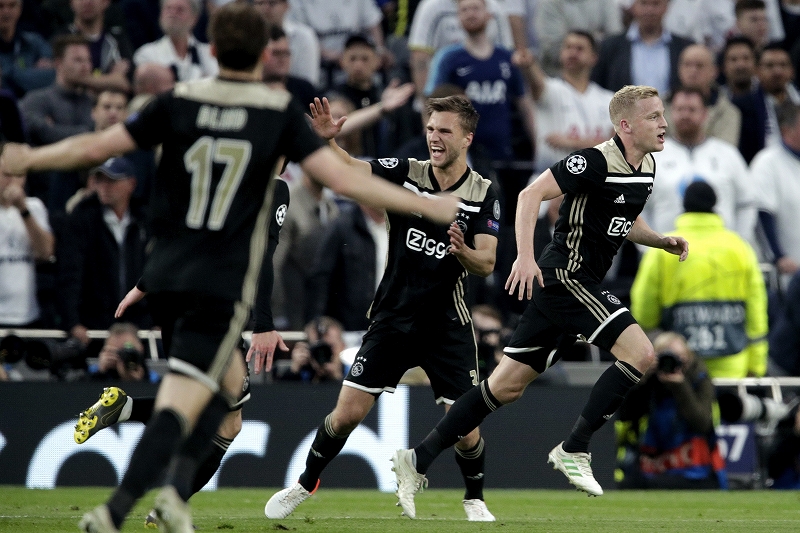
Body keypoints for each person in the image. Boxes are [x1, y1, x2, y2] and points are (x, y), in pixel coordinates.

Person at [0, 4, 457, 532]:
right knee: (194, 405)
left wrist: (27, 159)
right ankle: (124, 506)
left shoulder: (179, 100)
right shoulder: (274, 113)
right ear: (264, 55)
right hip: (215, 288)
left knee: (214, 406)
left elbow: (98, 145)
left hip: (168, 272)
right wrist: (428, 206)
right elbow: (345, 180)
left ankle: (159, 493)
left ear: (212, 49)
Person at [391, 85, 689, 517]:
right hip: (566, 276)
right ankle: (575, 447)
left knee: (503, 387)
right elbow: (530, 195)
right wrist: (526, 257)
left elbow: (624, 218)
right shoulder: (592, 160)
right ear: (625, 125)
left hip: (570, 286)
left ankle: (416, 459)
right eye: (654, 117)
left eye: (662, 115)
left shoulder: (647, 166)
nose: (664, 124)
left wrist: (658, 240)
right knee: (642, 354)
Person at [264, 94, 501, 522]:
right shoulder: (406, 172)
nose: (434, 138)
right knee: (346, 415)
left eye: (444, 131)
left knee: (467, 430)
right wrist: (327, 142)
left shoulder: (483, 191)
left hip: (447, 323)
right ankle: (303, 484)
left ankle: (474, 499)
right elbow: (351, 169)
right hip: (393, 318)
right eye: (430, 129)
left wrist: (463, 252)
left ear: (467, 138)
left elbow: (486, 262)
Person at [74, 176, 291, 528]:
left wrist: (143, 285)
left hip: (173, 295)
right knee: (226, 422)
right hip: (213, 304)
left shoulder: (214, 174)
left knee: (193, 400)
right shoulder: (271, 184)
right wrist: (264, 324)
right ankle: (152, 505)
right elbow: (262, 255)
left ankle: (126, 416)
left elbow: (178, 235)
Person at [632, 181, 768, 378]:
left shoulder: (664, 249)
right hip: (732, 365)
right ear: (715, 204)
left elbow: (644, 310)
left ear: (684, 205)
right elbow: (756, 310)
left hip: (678, 366)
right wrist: (756, 365)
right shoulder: (740, 248)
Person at [424, 0, 535, 166]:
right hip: (463, 154)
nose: (470, 14)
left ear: (489, 14)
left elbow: (524, 103)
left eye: (475, 8)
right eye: (464, 10)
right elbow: (430, 103)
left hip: (502, 152)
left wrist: (538, 146)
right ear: (458, 18)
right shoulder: (448, 58)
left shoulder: (506, 57)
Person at [56, 157, 150, 347]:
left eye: (112, 181)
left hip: (138, 323)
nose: (104, 187)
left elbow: (155, 271)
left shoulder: (144, 221)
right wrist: (72, 322)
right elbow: (69, 273)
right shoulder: (81, 219)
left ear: (131, 184)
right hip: (94, 324)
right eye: (100, 180)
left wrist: (159, 319)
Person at [615, 331, 727, 489]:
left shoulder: (698, 378)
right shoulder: (650, 382)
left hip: (695, 470)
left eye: (679, 357)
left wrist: (681, 386)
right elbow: (624, 414)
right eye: (665, 357)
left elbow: (701, 423)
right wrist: (642, 377)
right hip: (652, 467)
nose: (672, 363)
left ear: (688, 357)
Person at [643, 87, 756, 244]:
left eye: (692, 110)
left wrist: (739, 242)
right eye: (679, 109)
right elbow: (638, 208)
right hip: (668, 252)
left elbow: (746, 203)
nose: (685, 115)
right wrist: (649, 247)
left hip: (720, 251)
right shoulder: (652, 157)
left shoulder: (727, 154)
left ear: (705, 114)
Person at [518, 30, 614, 174]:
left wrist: (570, 143)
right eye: (568, 47)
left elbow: (617, 149)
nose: (573, 53)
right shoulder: (550, 89)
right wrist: (529, 64)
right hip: (550, 180)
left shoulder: (609, 99)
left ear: (593, 58)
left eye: (579, 49)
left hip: (595, 182)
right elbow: (536, 81)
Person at [307, 201, 387, 331]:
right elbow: (321, 277)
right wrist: (318, 322)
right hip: (349, 329)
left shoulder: (405, 228)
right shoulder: (342, 225)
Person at [591, 0, 693, 96]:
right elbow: (597, 87)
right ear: (633, 6)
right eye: (643, 3)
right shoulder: (610, 47)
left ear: (666, 7)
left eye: (656, 4)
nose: (649, 10)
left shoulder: (684, 47)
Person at [0, 163, 54, 327]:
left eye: (19, 176)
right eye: (7, 175)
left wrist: (23, 209)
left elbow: (46, 252)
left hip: (26, 314)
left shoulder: (34, 207)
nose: (13, 182)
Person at [751, 102, 800, 278]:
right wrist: (778, 257)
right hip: (787, 274)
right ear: (787, 131)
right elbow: (761, 214)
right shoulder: (767, 163)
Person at [670, 44, 741, 147]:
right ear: (679, 69)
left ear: (714, 71)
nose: (693, 70)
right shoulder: (659, 108)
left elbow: (725, 151)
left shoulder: (728, 113)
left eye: (699, 66)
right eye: (687, 65)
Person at [132, 0, 219, 82]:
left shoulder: (209, 54)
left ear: (194, 18)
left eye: (180, 10)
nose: (173, 14)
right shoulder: (146, 55)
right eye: (168, 9)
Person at [253, 0, 320, 87]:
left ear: (286, 6)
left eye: (272, 3)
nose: (265, 8)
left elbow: (308, 82)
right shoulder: (247, 35)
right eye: (260, 3)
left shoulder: (304, 36)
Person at [272, 316, 346, 382]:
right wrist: (293, 371)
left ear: (342, 347)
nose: (322, 352)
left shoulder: (351, 373)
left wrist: (336, 377)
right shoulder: (303, 372)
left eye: (329, 347)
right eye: (317, 347)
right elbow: (280, 392)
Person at [84, 322, 159, 382]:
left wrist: (140, 381)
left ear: (141, 349)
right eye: (115, 352)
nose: (123, 356)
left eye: (127, 350)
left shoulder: (153, 378)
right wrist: (100, 374)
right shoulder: (92, 373)